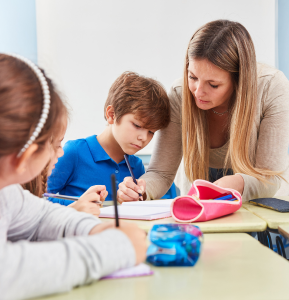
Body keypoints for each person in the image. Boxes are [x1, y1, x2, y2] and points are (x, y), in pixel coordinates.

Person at [0, 53, 147, 299]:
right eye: (56, 144)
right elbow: (8, 273)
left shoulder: (7, 192)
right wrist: (115, 249)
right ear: (26, 156)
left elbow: (40, 218)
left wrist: (94, 231)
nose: (60, 152)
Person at [118, 20, 289, 203]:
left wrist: (238, 183)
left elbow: (269, 179)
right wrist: (140, 190)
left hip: (262, 196)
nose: (198, 92)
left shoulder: (272, 87)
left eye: (213, 84)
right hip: (198, 194)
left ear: (239, 80)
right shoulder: (179, 93)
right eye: (192, 77)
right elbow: (161, 173)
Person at [48, 72, 175, 204]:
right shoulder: (74, 152)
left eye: (151, 132)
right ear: (112, 115)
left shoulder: (136, 167)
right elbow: (39, 199)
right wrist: (78, 206)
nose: (143, 138)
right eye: (137, 125)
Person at [22, 109, 107, 216]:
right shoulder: (10, 195)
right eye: (57, 145)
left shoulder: (26, 190)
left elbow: (40, 215)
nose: (62, 153)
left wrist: (80, 202)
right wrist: (74, 209)